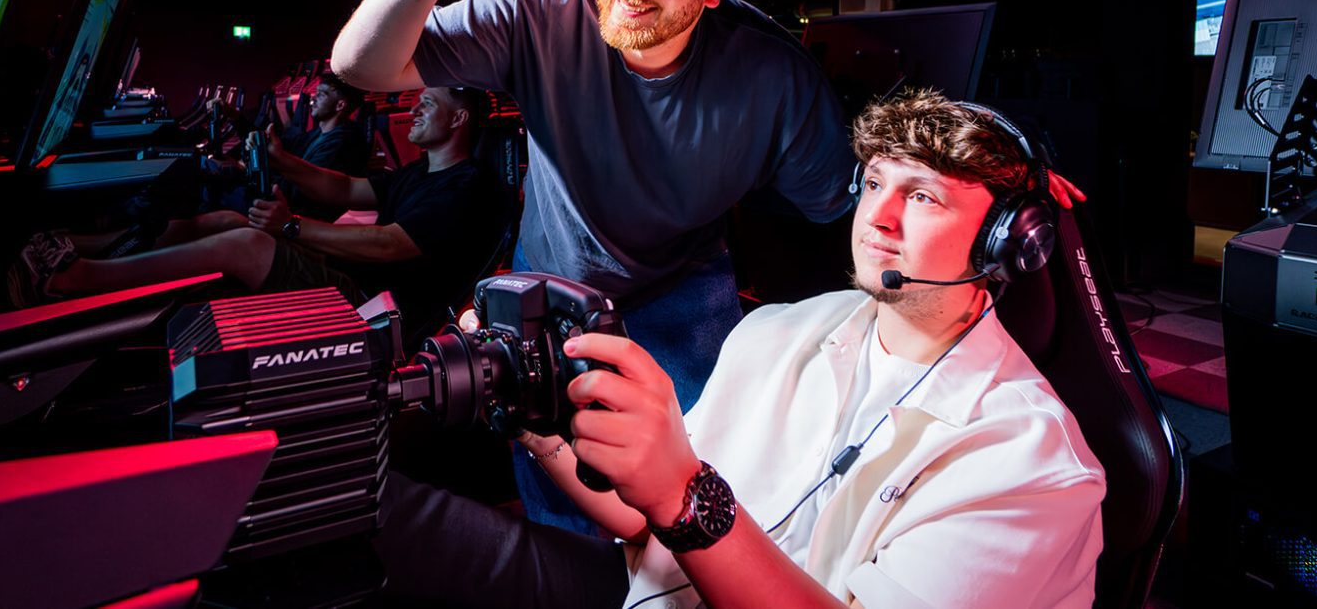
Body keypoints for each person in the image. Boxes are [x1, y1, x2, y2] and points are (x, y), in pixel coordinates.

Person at [333, 0, 1083, 532]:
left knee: (699, 487)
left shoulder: (770, 74)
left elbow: (853, 196)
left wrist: (987, 180)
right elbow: (359, 65)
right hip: (554, 280)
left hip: (680, 289)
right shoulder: (543, 6)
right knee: (563, 503)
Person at [374, 88, 1106, 609]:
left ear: (1008, 241)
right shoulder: (778, 331)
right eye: (875, 182)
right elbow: (643, 518)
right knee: (375, 514)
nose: (877, 217)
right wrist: (529, 418)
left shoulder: (1031, 467)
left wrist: (683, 496)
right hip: (651, 585)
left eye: (922, 196)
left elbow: (678, 505)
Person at [11, 86, 507, 342]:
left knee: (247, 242)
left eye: (427, 104)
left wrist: (290, 225)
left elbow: (391, 244)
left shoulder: (466, 186)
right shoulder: (419, 171)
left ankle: (73, 282)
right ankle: (87, 252)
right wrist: (282, 159)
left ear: (459, 119)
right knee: (228, 221)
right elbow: (344, 187)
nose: (413, 111)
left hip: (375, 309)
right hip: (356, 279)